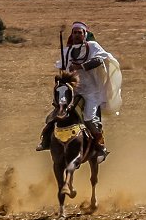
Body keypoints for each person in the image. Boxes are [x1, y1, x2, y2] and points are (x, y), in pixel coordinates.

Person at [36, 21, 122, 163]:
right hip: (73, 91)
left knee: (89, 118)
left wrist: (81, 66)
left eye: (79, 33)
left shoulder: (92, 47)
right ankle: (46, 141)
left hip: (91, 91)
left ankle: (100, 145)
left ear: (84, 34)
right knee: (55, 115)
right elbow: (63, 68)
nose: (76, 35)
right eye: (74, 33)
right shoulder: (67, 51)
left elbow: (100, 60)